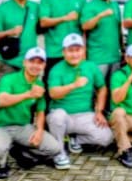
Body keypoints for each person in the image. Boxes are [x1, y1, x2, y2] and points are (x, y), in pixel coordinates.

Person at [0, 47, 61, 179]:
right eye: (32, 61)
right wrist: (28, 94)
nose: (35, 66)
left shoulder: (39, 85)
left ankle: (21, 151)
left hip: (22, 127)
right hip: (0, 126)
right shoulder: (9, 79)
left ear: (44, 65)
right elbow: (2, 100)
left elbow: (40, 111)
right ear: (24, 62)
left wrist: (39, 130)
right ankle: (2, 165)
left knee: (54, 148)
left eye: (39, 62)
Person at [47, 34, 113, 170]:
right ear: (63, 52)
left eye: (78, 50)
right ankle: (59, 153)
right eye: (70, 50)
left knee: (107, 137)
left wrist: (99, 111)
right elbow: (53, 93)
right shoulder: (56, 69)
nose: (74, 54)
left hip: (84, 115)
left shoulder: (91, 66)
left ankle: (74, 139)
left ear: (83, 50)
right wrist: (73, 85)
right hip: (64, 116)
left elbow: (102, 88)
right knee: (57, 116)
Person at [39, 0, 86, 83]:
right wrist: (64, 18)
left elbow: (84, 24)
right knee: (52, 83)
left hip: (75, 52)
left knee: (74, 83)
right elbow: (43, 22)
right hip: (55, 51)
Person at [81, 0, 122, 89]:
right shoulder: (90, 6)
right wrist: (100, 15)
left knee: (113, 88)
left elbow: (118, 28)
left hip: (114, 56)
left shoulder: (114, 5)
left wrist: (122, 49)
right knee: (98, 89)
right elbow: (85, 26)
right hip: (98, 57)